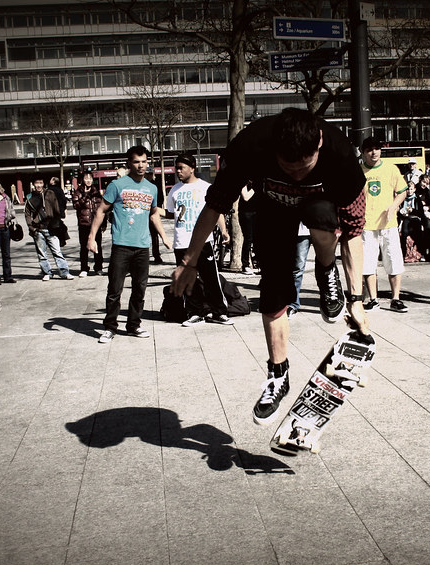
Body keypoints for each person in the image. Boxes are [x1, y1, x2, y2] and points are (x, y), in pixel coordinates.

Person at [170, 108, 369, 425]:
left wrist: (356, 299)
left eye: (304, 169)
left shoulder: (340, 154)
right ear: (274, 150)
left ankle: (325, 270)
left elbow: (355, 231)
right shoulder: (249, 146)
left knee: (320, 214)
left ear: (318, 145)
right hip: (273, 212)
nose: (296, 176)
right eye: (288, 169)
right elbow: (214, 206)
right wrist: (189, 261)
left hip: (323, 212)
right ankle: (278, 375)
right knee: (273, 292)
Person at [88, 145, 171, 342]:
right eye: (136, 162)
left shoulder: (152, 188)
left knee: (139, 289)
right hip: (121, 246)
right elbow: (101, 211)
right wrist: (91, 238)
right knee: (114, 289)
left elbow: (153, 214)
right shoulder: (117, 185)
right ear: (129, 163)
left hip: (143, 247)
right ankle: (110, 327)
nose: (141, 165)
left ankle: (134, 325)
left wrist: (164, 237)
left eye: (144, 161)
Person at [165, 152, 233, 326]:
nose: (178, 171)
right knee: (189, 281)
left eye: (181, 168)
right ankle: (195, 312)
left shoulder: (204, 187)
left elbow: (214, 211)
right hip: (182, 241)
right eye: (176, 168)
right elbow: (171, 214)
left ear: (192, 168)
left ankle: (219, 312)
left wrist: (223, 230)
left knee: (211, 277)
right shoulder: (174, 190)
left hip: (203, 241)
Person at [359, 137, 409, 312]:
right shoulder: (358, 171)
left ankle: (396, 298)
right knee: (368, 263)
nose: (374, 153)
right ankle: (373, 299)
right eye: (370, 150)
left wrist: (393, 206)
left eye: (377, 149)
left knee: (393, 260)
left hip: (388, 225)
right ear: (363, 152)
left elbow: (402, 192)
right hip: (366, 225)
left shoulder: (391, 169)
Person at [25, 177, 74, 281]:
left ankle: (64, 272)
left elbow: (56, 208)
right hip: (38, 229)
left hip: (51, 227)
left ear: (43, 183)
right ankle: (47, 272)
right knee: (42, 253)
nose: (38, 185)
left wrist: (57, 222)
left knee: (57, 251)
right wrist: (31, 227)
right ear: (33, 184)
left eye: (40, 182)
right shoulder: (30, 198)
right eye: (36, 183)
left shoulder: (50, 193)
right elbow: (27, 214)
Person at [72, 171, 104, 277]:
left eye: (90, 178)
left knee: (97, 246)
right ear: (82, 180)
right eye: (86, 178)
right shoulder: (78, 192)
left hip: (95, 223)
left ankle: (98, 267)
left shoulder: (96, 192)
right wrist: (85, 196)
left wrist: (103, 223)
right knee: (84, 247)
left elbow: (101, 208)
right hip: (84, 224)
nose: (88, 180)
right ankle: (84, 268)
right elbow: (76, 205)